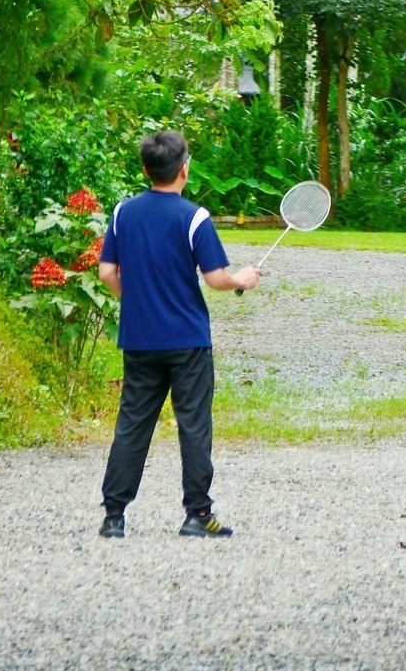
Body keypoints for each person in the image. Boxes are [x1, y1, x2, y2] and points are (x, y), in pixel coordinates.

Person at [96, 130, 261, 538]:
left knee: (133, 423)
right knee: (193, 424)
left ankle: (114, 517)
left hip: (139, 339)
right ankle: (197, 515)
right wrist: (244, 279)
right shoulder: (195, 217)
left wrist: (134, 301)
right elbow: (217, 279)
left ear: (146, 169)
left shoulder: (123, 213)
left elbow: (106, 273)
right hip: (187, 340)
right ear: (184, 169)